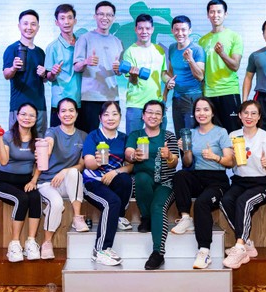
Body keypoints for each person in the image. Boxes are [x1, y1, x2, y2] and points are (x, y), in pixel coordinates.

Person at [170, 97, 234, 269]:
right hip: (198, 176)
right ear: (194, 113)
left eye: (206, 109)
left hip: (217, 181)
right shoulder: (191, 133)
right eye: (198, 110)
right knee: (180, 175)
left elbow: (230, 161)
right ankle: (185, 218)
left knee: (201, 203)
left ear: (212, 113)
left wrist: (215, 157)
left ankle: (204, 252)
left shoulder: (221, 132)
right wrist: (186, 151)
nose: (202, 113)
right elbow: (188, 163)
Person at [220, 100, 266, 269]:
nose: (249, 116)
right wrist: (231, 158)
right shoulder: (233, 135)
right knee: (225, 201)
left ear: (259, 117)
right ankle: (247, 244)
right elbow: (230, 164)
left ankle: (239, 247)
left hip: (262, 182)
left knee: (243, 202)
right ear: (239, 115)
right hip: (240, 180)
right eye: (246, 113)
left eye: (253, 113)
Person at [125, 100, 179, 270]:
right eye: (149, 112)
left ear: (162, 118)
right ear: (143, 115)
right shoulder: (136, 135)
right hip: (145, 183)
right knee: (140, 178)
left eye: (157, 113)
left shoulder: (168, 136)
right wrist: (134, 155)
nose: (153, 116)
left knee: (158, 207)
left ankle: (158, 253)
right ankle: (146, 217)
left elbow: (174, 163)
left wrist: (169, 155)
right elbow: (128, 153)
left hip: (166, 183)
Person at [36, 97, 90, 260]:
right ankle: (47, 243)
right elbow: (49, 143)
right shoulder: (52, 131)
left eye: (71, 110)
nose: (67, 114)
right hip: (47, 183)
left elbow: (81, 165)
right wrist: (45, 148)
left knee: (74, 172)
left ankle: (77, 218)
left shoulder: (83, 136)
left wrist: (65, 171)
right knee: (57, 203)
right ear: (58, 115)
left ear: (77, 114)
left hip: (67, 183)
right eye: (63, 111)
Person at [82, 101, 134, 266]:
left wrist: (115, 172)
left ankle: (118, 217)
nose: (110, 118)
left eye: (114, 114)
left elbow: (130, 166)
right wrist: (97, 162)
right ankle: (100, 250)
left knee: (125, 179)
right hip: (93, 182)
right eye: (106, 114)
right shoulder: (93, 136)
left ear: (120, 117)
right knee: (112, 202)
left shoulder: (124, 138)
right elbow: (88, 163)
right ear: (100, 118)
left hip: (112, 179)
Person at [0, 103, 42, 263]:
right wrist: (0, 138)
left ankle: (31, 242)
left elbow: (40, 163)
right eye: (23, 114)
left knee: (35, 197)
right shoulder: (8, 136)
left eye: (31, 115)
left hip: (26, 181)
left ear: (36, 119)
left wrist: (34, 180)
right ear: (17, 116)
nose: (27, 118)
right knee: (22, 199)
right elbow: (3, 160)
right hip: (4, 182)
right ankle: (14, 244)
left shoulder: (38, 139)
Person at [73, 1, 124, 133]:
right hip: (90, 97)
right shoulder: (84, 38)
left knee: (111, 135)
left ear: (114, 18)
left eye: (109, 15)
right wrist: (86, 61)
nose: (104, 18)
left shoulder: (117, 42)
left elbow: (119, 72)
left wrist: (119, 69)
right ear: (95, 16)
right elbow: (76, 67)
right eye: (101, 14)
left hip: (112, 97)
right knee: (89, 135)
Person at [199, 0, 244, 132]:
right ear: (208, 15)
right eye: (212, 12)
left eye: (219, 12)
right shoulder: (202, 41)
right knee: (211, 134)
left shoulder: (234, 37)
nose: (215, 15)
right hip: (209, 93)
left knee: (234, 133)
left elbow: (235, 66)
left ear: (225, 14)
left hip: (229, 91)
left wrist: (222, 53)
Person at [2, 9, 48, 133]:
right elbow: (6, 74)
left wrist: (44, 74)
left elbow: (45, 79)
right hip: (19, 107)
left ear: (38, 27)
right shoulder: (12, 49)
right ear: (19, 26)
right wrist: (13, 68)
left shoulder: (40, 52)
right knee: (16, 141)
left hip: (39, 106)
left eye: (33, 24)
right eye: (25, 23)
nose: (29, 27)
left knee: (40, 142)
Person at [121, 14, 167, 133]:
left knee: (159, 140)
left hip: (156, 103)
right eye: (140, 28)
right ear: (135, 29)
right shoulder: (130, 52)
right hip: (136, 104)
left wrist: (169, 81)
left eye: (147, 28)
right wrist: (133, 75)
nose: (144, 32)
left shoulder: (159, 50)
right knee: (133, 140)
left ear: (152, 29)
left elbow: (163, 74)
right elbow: (132, 81)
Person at [44, 4, 85, 131]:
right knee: (56, 138)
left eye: (69, 18)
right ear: (56, 22)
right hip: (60, 102)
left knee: (81, 138)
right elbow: (48, 77)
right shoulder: (52, 47)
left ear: (75, 21)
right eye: (62, 18)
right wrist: (53, 73)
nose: (66, 22)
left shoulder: (83, 44)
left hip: (81, 101)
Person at [166, 15, 205, 137]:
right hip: (176, 98)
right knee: (180, 137)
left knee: (191, 137)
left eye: (183, 30)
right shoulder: (172, 48)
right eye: (176, 30)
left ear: (190, 31)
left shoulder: (197, 50)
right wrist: (169, 81)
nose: (180, 33)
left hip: (192, 98)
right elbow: (170, 72)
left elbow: (200, 76)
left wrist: (190, 59)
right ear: (172, 30)